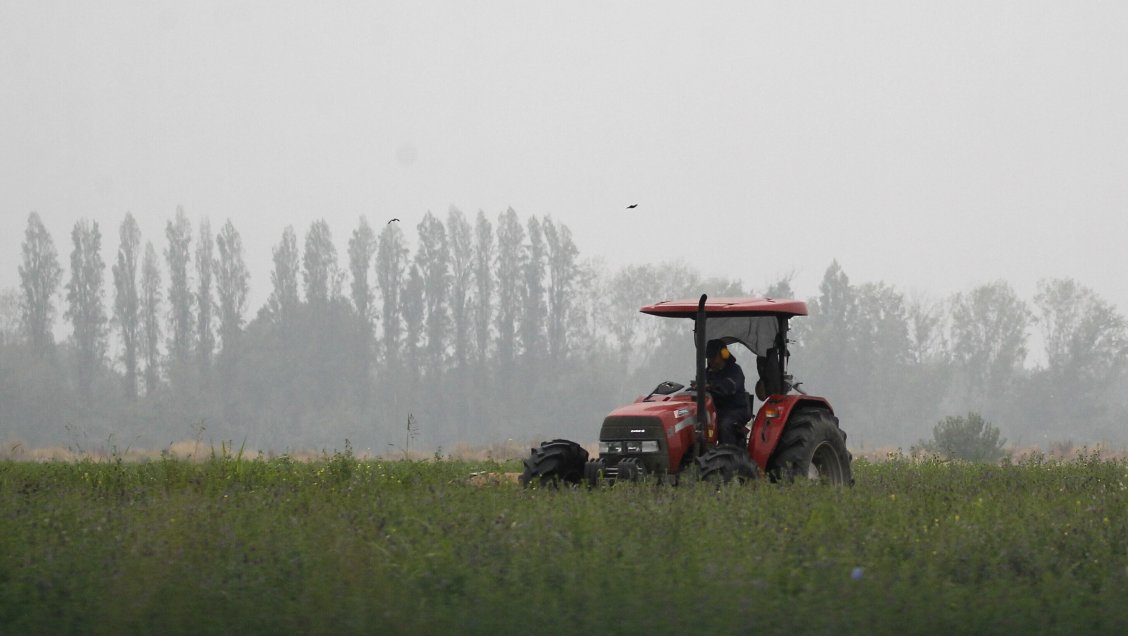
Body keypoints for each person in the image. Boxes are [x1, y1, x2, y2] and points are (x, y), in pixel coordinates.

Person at [703, 339, 752, 446]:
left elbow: (729, 387)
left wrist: (710, 386)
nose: (711, 362)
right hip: (713, 411)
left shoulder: (735, 371)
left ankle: (728, 456)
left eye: (713, 358)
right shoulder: (706, 373)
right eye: (709, 359)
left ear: (724, 354)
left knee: (725, 425)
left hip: (734, 410)